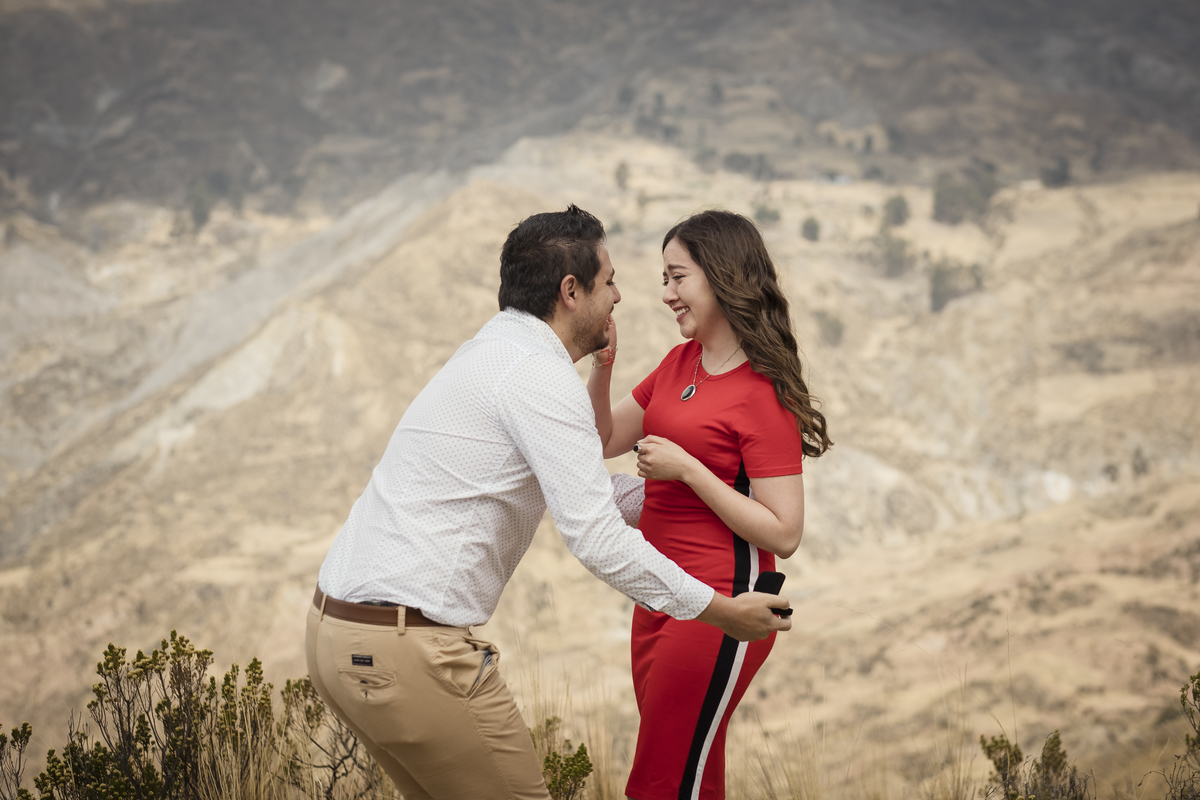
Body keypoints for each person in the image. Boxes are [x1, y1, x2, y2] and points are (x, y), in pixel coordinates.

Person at [306, 205, 791, 800]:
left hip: (336, 636)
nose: (620, 296)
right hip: (412, 651)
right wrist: (717, 609)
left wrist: (689, 484)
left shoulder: (491, 351)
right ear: (571, 291)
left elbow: (585, 484)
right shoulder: (541, 377)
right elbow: (595, 533)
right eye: (608, 280)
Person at [587, 209, 832, 800]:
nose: (665, 293)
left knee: (659, 783)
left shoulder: (761, 394)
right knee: (693, 776)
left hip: (724, 607)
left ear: (720, 277)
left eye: (678, 277)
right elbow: (602, 440)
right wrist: (603, 366)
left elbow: (784, 533)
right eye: (664, 279)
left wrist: (689, 470)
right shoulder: (681, 364)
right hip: (662, 598)